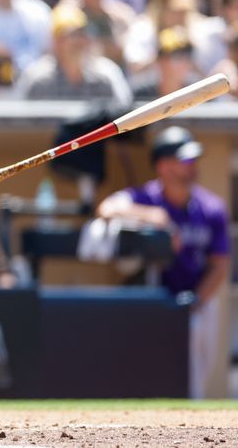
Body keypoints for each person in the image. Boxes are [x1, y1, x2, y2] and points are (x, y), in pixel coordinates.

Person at [96, 126, 231, 398]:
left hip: (198, 302)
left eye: (193, 161)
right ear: (164, 166)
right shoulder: (147, 198)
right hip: (154, 298)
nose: (192, 167)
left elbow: (220, 265)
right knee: (150, 377)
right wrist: (151, 216)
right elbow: (106, 209)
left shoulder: (211, 208)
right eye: (184, 161)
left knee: (194, 381)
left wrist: (195, 302)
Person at [17, 4, 133, 107]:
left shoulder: (105, 75)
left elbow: (121, 113)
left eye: (82, 34)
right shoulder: (38, 79)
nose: (78, 41)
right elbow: (20, 124)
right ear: (56, 41)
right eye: (71, 35)